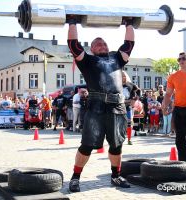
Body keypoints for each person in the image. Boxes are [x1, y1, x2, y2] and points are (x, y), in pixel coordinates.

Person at [67, 15, 135, 192]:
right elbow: (73, 45)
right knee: (87, 146)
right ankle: (75, 178)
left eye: (104, 43)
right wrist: (72, 22)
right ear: (92, 48)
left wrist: (129, 24)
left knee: (117, 145)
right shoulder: (87, 61)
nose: (102, 45)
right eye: (98, 44)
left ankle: (115, 176)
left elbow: (129, 45)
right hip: (96, 109)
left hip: (117, 109)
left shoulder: (117, 59)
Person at [122, 70, 140, 144]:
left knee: (129, 123)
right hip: (119, 107)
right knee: (120, 123)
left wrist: (135, 99)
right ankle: (120, 139)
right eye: (122, 76)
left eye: (125, 76)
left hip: (128, 106)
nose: (124, 77)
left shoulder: (130, 85)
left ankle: (129, 139)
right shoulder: (116, 84)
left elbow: (139, 91)